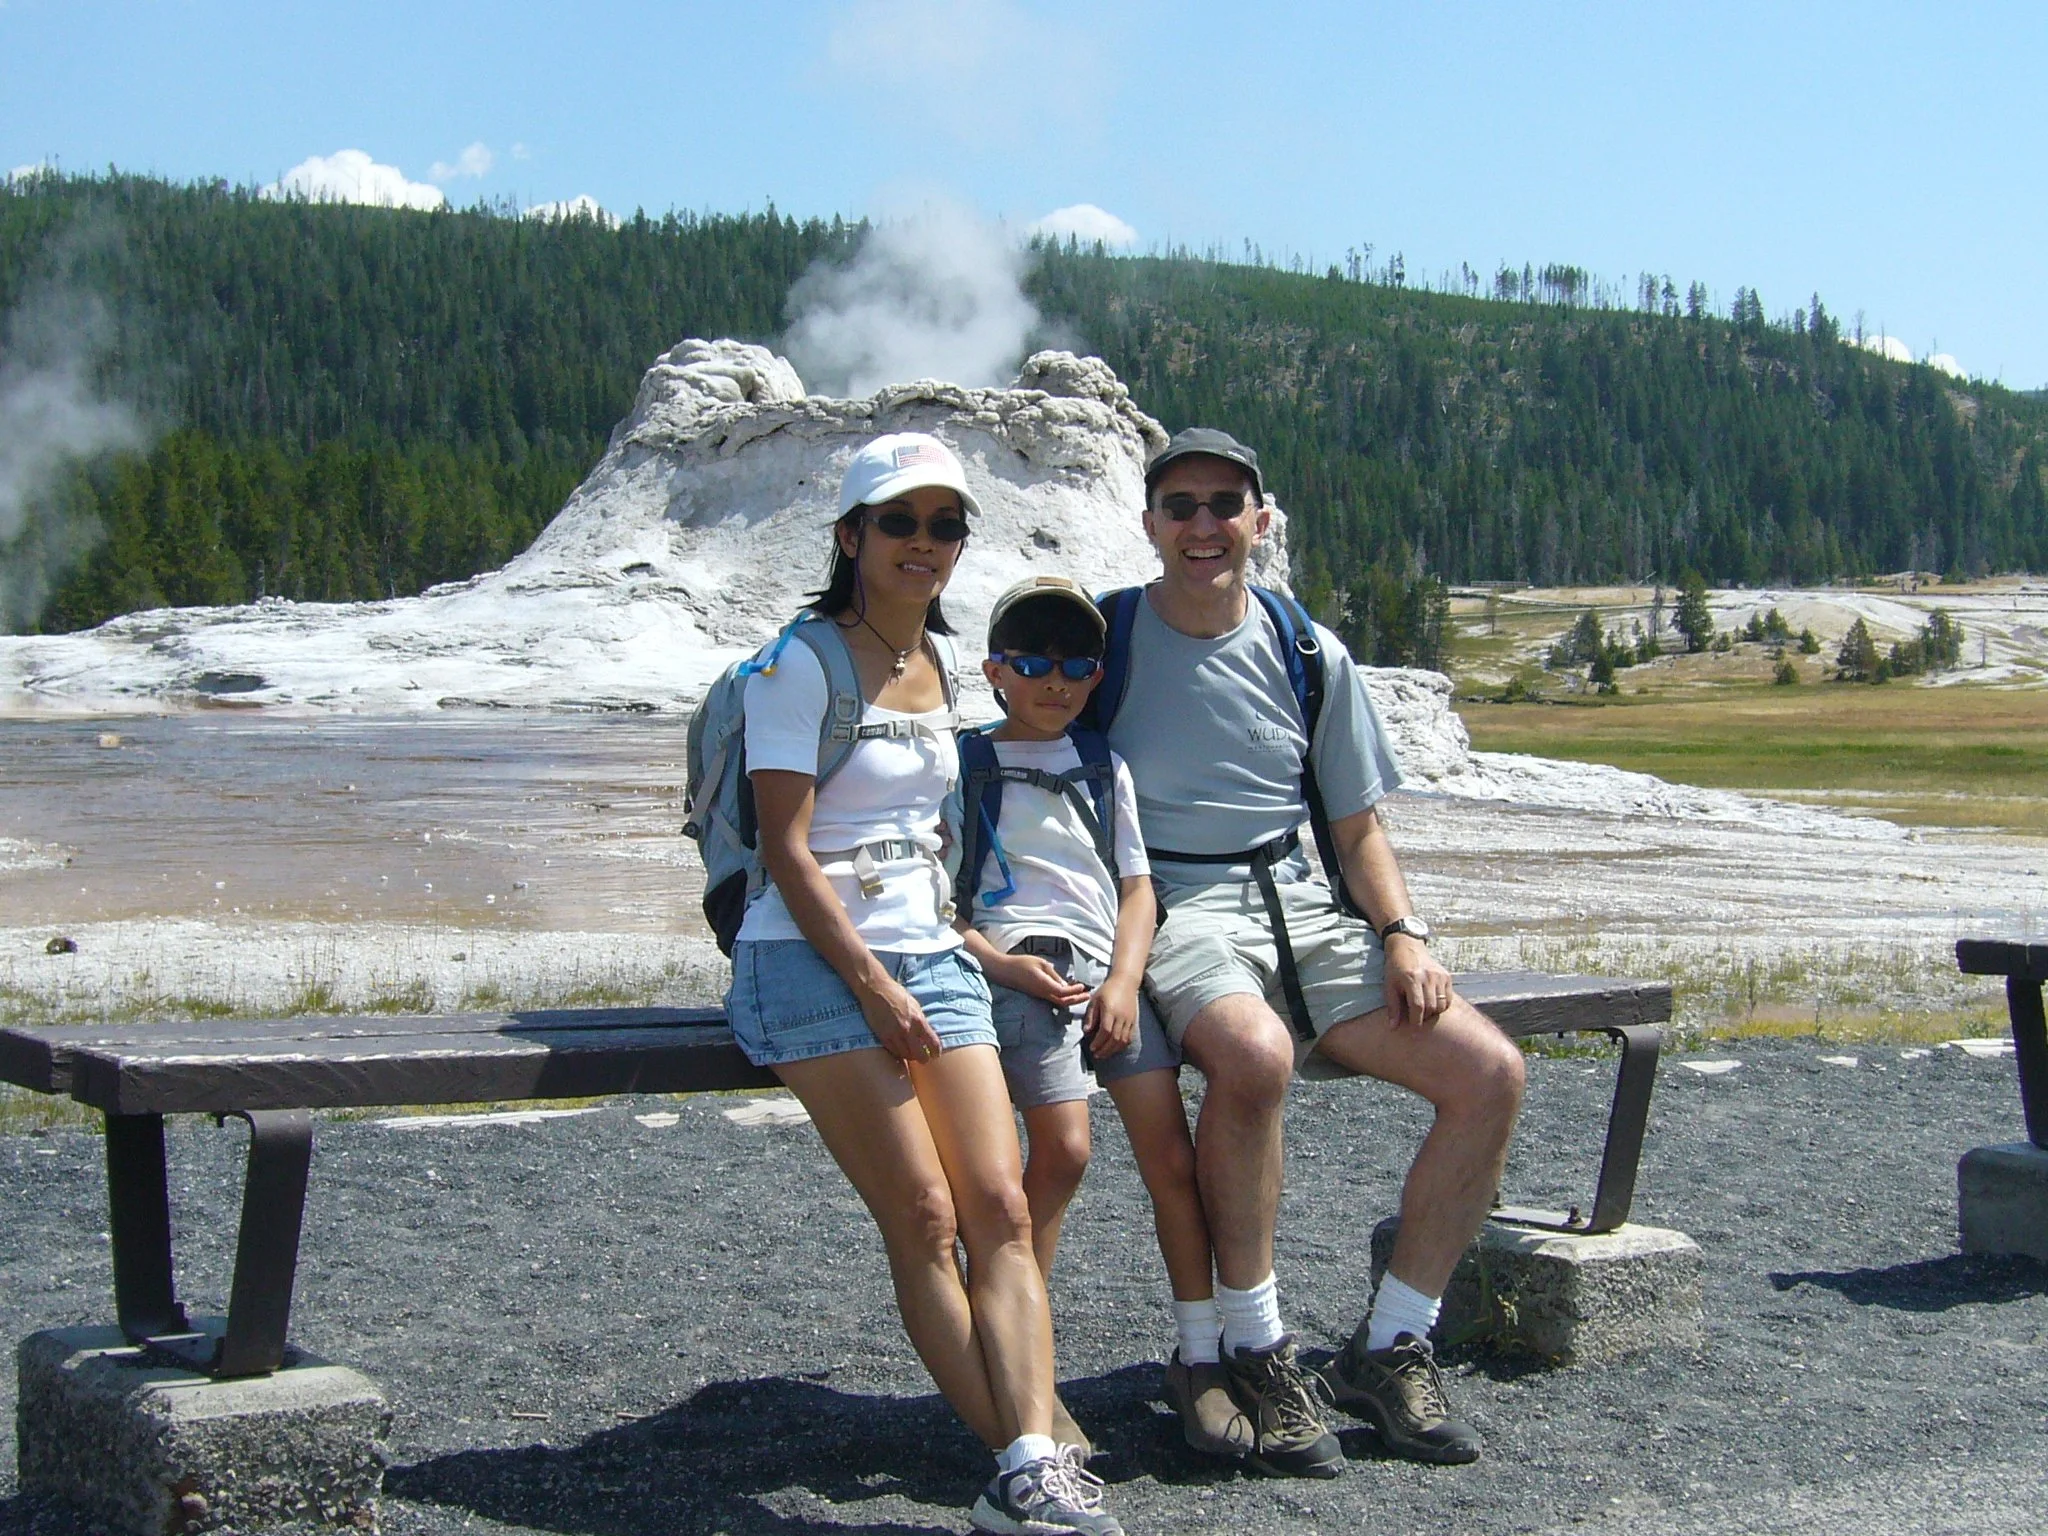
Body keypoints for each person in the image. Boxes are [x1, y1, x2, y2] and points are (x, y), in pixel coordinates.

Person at [1097, 427, 1527, 1475]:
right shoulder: (1104, 641)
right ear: (1150, 523)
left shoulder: (1304, 650)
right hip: (1175, 903)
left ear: (1260, 520)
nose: (1203, 525)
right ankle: (1256, 1348)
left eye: (1224, 505)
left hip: (1303, 903)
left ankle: (1393, 1344)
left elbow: (1356, 825)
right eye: (1181, 506)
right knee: (1253, 1058)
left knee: (1489, 1074)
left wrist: (1402, 934)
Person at [725, 433, 1122, 1536]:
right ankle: (1028, 1467)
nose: (923, 543)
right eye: (898, 521)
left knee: (1001, 1205)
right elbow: (788, 852)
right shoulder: (795, 664)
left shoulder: (942, 663)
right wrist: (872, 984)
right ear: (850, 535)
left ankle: (1030, 1465)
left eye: (944, 525)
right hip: (808, 960)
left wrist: (969, 953)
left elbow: (929, 844)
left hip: (933, 955)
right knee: (925, 1212)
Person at [949, 576, 1253, 1464]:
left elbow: (1137, 888)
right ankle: (1025, 1368)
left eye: (1077, 665)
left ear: (1095, 674)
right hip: (1024, 971)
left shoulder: (1101, 762)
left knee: (1172, 1161)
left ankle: (1200, 1357)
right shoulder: (962, 765)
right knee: (1068, 1152)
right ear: (994, 671)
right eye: (1032, 664)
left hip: (1108, 981)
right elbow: (940, 905)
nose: (1056, 682)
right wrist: (1001, 965)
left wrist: (1124, 981)